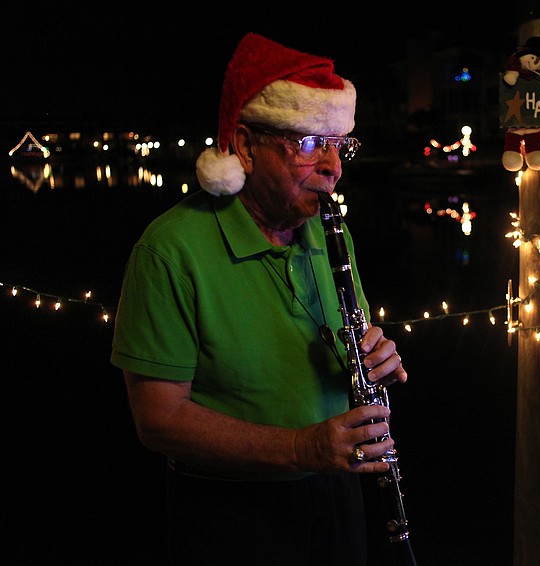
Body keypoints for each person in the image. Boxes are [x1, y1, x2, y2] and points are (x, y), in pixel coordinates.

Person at [110, 32, 408, 565]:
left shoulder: (326, 230)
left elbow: (348, 353)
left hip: (336, 489)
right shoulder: (169, 249)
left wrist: (375, 358)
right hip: (230, 513)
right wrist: (300, 447)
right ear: (246, 146)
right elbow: (157, 419)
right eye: (311, 143)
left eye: (340, 145)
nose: (334, 168)